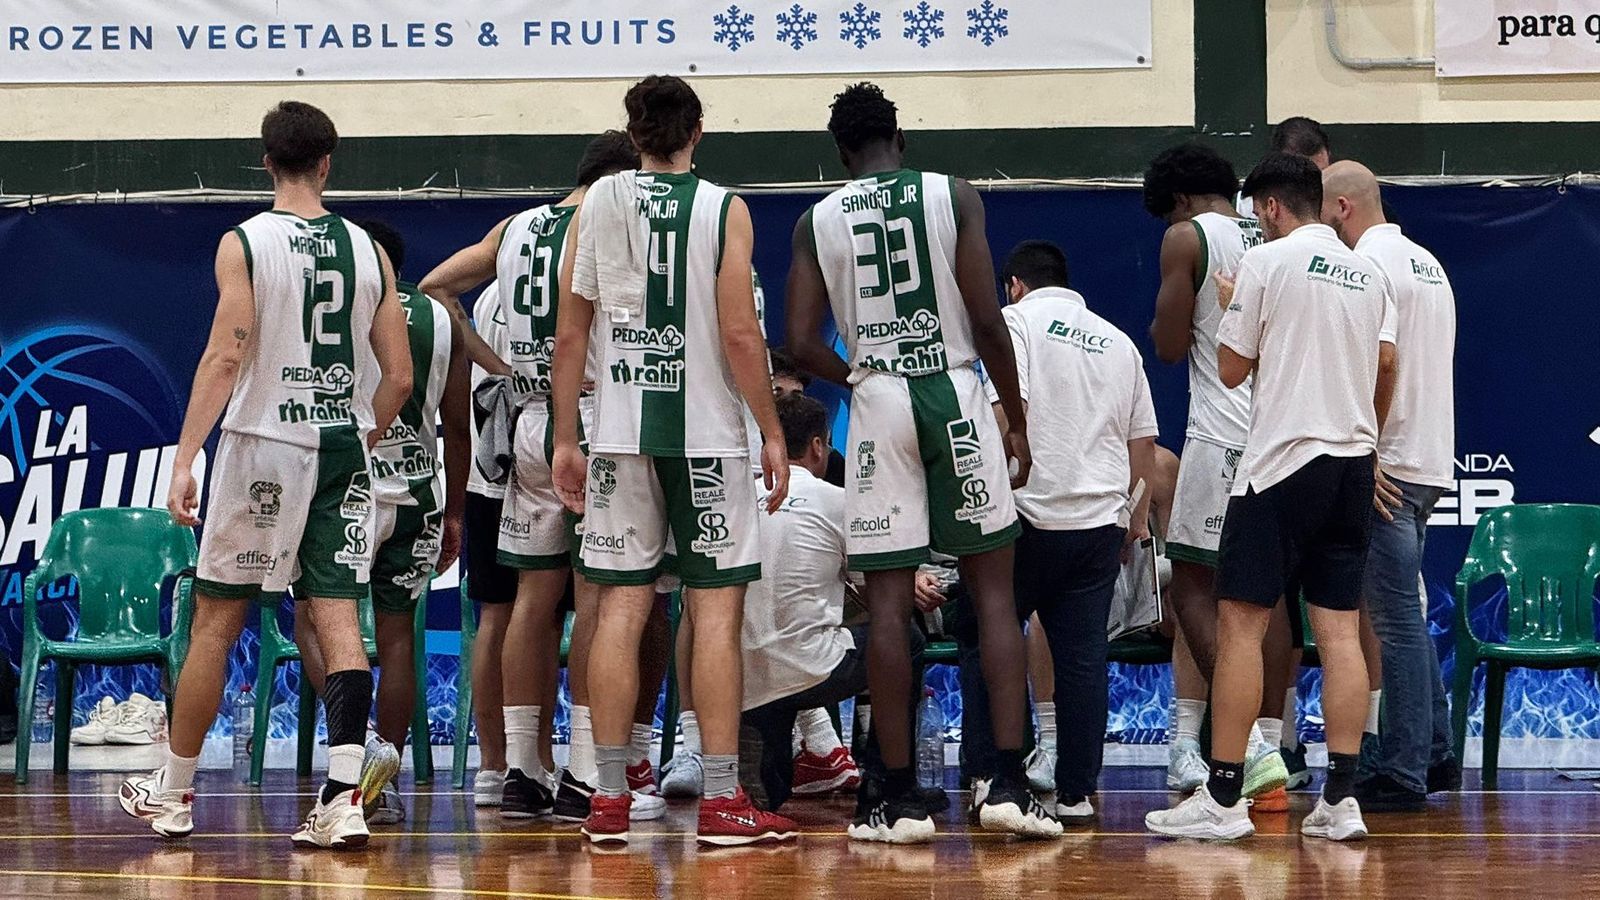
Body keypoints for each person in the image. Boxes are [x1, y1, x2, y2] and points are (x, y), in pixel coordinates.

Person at [119, 101, 414, 848]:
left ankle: (175, 793)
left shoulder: (244, 241)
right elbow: (400, 376)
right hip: (342, 445)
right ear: (326, 163)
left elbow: (226, 355)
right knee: (340, 621)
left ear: (265, 161)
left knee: (216, 620)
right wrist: (356, 429)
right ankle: (344, 799)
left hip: (262, 443)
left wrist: (185, 456)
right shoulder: (366, 249)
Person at [786, 82, 1054, 842]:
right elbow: (985, 320)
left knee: (892, 607)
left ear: (842, 154)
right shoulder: (953, 195)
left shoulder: (817, 220)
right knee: (995, 598)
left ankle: (894, 799)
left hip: (878, 404)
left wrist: (860, 378)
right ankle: (1005, 784)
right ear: (899, 138)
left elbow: (801, 342)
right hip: (956, 392)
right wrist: (1018, 418)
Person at [549, 74, 796, 847]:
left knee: (619, 610)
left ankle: (609, 795)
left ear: (631, 133)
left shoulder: (595, 204)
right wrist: (772, 429)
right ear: (698, 133)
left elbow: (570, 336)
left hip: (619, 431)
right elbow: (740, 335)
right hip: (709, 439)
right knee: (715, 615)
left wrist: (565, 435)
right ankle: (723, 801)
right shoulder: (724, 207)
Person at [419, 132, 669, 823]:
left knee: (532, 599)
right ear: (623, 179)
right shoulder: (615, 218)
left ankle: (522, 769)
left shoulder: (517, 225)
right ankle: (589, 775)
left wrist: (495, 364)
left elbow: (435, 286)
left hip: (525, 419)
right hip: (587, 418)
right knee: (600, 597)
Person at [1146, 152, 1396, 842]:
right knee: (1340, 630)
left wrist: (1232, 305)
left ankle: (1224, 799)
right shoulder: (1368, 270)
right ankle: (1341, 802)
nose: (1256, 223)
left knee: (1242, 628)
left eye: (1259, 212)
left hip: (1282, 462)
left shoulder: (1266, 264)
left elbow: (1229, 370)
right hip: (1352, 463)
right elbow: (1385, 361)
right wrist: (1369, 435)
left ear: (1275, 207)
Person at [292, 220, 471, 826]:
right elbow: (458, 424)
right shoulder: (442, 319)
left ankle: (359, 740)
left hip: (350, 486)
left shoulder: (335, 305)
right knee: (397, 639)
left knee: (313, 619)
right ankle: (380, 788)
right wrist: (456, 513)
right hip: (420, 492)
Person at [1143, 142, 1292, 805]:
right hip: (1284, 432)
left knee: (1189, 589)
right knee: (1269, 595)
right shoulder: (1270, 228)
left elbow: (1171, 347)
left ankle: (1249, 749)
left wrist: (1162, 313)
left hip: (1221, 432)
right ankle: (1273, 738)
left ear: (1178, 200)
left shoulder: (1187, 237)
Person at [989, 240, 1156, 823]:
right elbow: (1144, 447)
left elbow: (1006, 412)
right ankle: (1078, 793)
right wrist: (1133, 520)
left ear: (1015, 285)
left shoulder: (1014, 322)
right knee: (1085, 660)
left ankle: (994, 778)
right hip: (1097, 528)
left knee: (991, 638)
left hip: (1023, 517)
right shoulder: (1117, 341)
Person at [1321, 160, 1461, 808]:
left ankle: (1404, 771)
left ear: (1343, 207)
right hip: (1430, 459)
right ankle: (1433, 754)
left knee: (1398, 621)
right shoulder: (1430, 264)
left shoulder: (1368, 268)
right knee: (1408, 612)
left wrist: (1366, 449)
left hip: (1390, 463)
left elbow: (1379, 360)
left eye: (1324, 213)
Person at [739, 393, 921, 809]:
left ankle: (754, 747)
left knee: (771, 795)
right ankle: (885, 781)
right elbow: (878, 594)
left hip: (741, 671)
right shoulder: (840, 501)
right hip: (813, 668)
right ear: (819, 446)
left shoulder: (737, 501)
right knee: (901, 638)